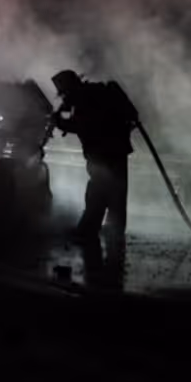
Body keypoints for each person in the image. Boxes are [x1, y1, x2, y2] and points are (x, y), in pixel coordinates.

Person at [50, 70, 138, 262]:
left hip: (104, 154)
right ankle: (113, 234)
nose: (64, 98)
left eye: (64, 93)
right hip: (115, 152)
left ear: (70, 89)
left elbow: (85, 125)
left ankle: (89, 232)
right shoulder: (93, 93)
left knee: (98, 193)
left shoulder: (86, 99)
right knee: (115, 196)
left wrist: (60, 123)